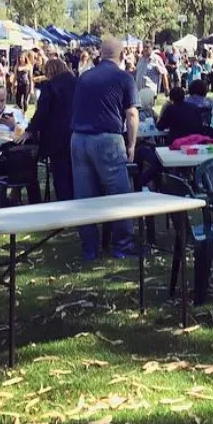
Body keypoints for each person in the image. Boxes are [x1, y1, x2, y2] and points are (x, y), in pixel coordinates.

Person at [69, 38, 138, 259]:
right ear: (121, 55)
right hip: (107, 139)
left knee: (84, 196)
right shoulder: (124, 78)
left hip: (79, 139)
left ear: (100, 54)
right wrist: (132, 145)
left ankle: (89, 248)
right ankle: (122, 246)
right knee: (120, 194)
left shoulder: (84, 77)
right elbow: (132, 114)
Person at [27, 58, 77, 201]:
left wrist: (30, 129)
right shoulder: (77, 83)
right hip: (76, 134)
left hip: (56, 137)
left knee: (61, 175)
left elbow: (42, 112)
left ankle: (64, 204)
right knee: (75, 174)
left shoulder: (50, 86)